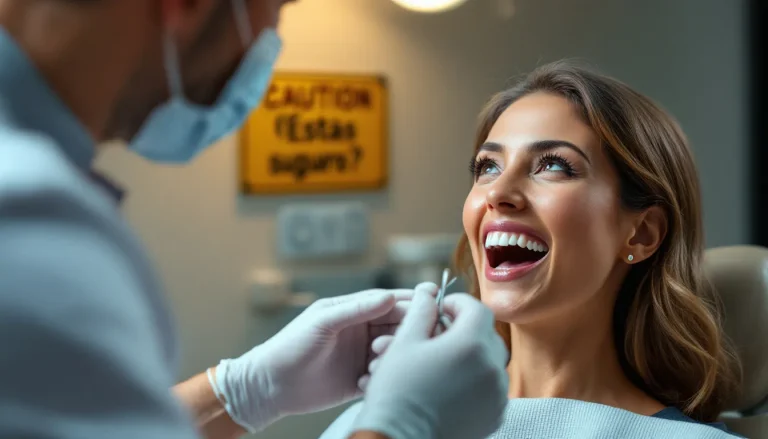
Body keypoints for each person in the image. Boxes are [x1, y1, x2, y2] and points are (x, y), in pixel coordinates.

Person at [0, 1, 510, 439]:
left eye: (557, 165)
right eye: (279, 7)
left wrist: (244, 390)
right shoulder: (25, 221)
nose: (503, 194)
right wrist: (401, 425)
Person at [318, 61, 745, 438]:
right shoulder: (379, 422)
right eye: (488, 167)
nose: (499, 193)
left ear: (642, 234)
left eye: (554, 165)